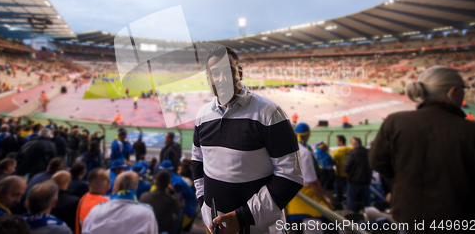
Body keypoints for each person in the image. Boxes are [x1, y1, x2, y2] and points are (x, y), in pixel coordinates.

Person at [192, 46, 303, 234]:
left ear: (240, 72)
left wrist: (243, 217)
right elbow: (198, 162)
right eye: (215, 73)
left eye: (228, 70)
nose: (221, 78)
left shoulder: (270, 113)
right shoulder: (202, 116)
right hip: (216, 228)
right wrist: (205, 206)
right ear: (208, 78)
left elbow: (290, 175)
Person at [369, 67, 475, 232]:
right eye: (463, 89)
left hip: (409, 217)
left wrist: (403, 177)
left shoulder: (395, 121)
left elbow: (377, 162)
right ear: (453, 92)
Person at [285, 125, 333, 233]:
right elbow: (313, 182)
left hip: (287, 198)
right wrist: (325, 200)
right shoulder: (304, 152)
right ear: (306, 135)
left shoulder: (278, 148)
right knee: (329, 219)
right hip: (304, 197)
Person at [82, 172, 158, 234]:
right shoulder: (147, 213)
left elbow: (84, 231)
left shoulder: (96, 209)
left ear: (118, 187)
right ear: (135, 188)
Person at [140, 170, 181, 234]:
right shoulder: (171, 199)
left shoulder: (143, 197)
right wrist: (173, 191)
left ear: (155, 183)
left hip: (147, 230)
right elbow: (178, 207)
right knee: (180, 212)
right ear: (169, 183)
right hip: (163, 230)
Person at [75, 168, 110, 234]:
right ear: (93, 185)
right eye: (105, 179)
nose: (110, 181)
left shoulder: (84, 197)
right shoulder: (105, 203)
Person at [343, 136, 372, 212]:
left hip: (354, 180)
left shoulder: (353, 153)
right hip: (366, 180)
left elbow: (346, 167)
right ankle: (369, 215)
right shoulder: (368, 152)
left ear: (354, 143)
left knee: (351, 199)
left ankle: (352, 217)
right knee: (366, 200)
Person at [331, 134, 352, 203]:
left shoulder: (337, 151)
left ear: (340, 141)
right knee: (349, 191)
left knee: (339, 191)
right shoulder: (350, 149)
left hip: (339, 174)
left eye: (337, 140)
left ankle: (340, 204)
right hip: (349, 174)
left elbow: (333, 161)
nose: (336, 142)